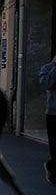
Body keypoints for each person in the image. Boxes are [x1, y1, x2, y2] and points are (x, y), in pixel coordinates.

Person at [40, 53, 56, 184]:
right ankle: (51, 166)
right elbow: (47, 84)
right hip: (53, 113)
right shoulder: (47, 68)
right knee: (54, 147)